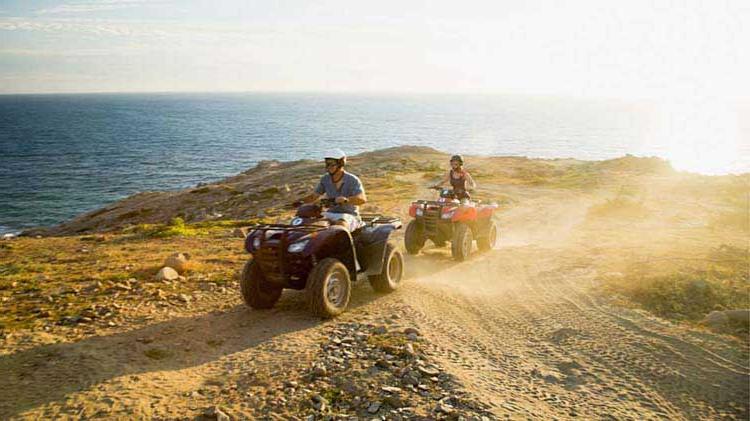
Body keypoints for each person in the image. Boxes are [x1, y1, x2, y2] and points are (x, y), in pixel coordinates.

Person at [303, 148, 367, 231]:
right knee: (311, 221)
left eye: (331, 164)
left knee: (340, 224)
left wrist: (346, 200)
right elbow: (314, 196)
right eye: (327, 164)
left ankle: (343, 243)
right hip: (331, 213)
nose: (328, 167)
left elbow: (362, 199)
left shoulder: (352, 180)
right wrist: (298, 202)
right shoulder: (325, 179)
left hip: (349, 216)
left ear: (341, 163)